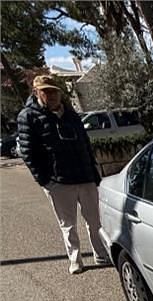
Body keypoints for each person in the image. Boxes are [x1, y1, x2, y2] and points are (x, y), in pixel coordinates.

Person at [17, 75, 111, 274]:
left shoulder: (71, 114)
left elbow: (85, 143)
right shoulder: (28, 116)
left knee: (94, 220)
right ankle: (75, 260)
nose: (51, 95)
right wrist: (45, 181)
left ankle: (101, 254)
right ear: (37, 93)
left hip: (84, 177)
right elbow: (27, 152)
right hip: (58, 182)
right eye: (46, 91)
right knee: (68, 225)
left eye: (53, 90)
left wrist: (94, 172)